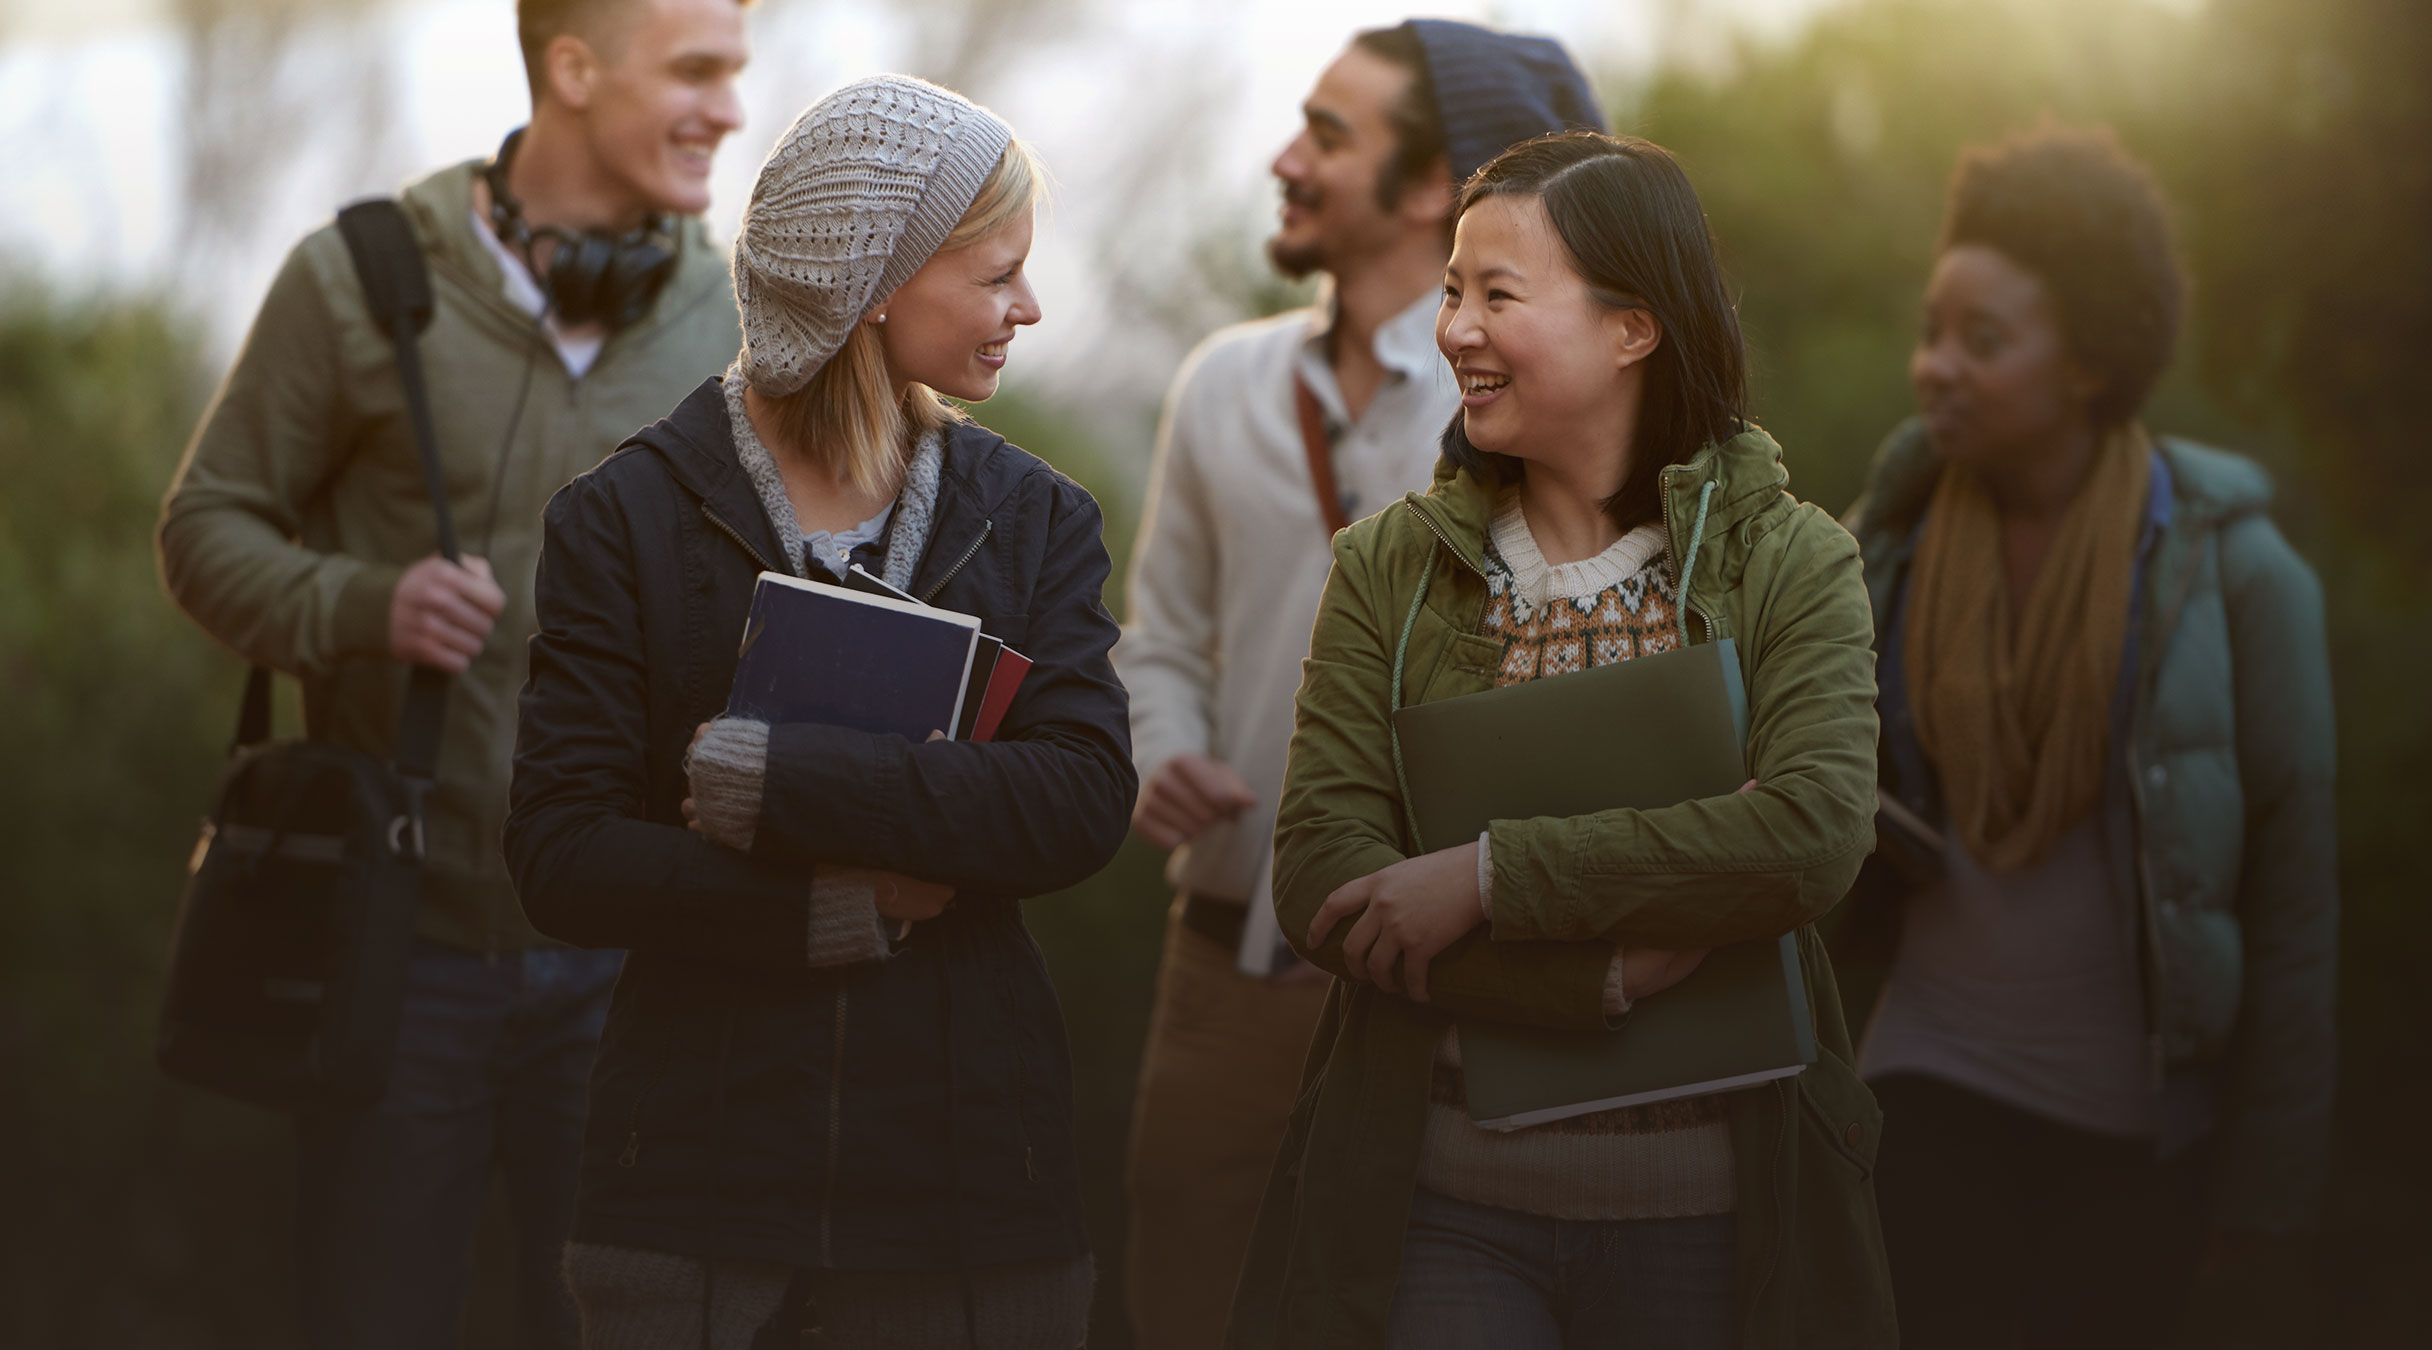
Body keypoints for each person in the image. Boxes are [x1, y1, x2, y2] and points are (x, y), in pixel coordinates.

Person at [1233, 131, 1894, 1350]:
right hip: (1441, 1214)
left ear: (1631, 329)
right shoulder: (1388, 567)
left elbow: (1807, 834)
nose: (1453, 332)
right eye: (1450, 292)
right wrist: (1593, 976)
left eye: (1497, 295)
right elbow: (1323, 873)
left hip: (1716, 1224)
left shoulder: (1791, 559)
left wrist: (1481, 877)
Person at [502, 75, 1133, 1349]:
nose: (1030, 306)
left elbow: (1079, 801)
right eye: (998, 273)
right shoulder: (623, 519)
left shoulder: (1035, 517)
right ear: (876, 281)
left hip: (964, 1201)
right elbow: (561, 855)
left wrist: (782, 783)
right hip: (687, 1193)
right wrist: (826, 909)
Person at [156, 0, 748, 1343]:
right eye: (697, 72)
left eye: (736, 72)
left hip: (635, 960)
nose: (728, 108)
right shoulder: (354, 278)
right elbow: (204, 530)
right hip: (396, 950)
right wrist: (364, 603)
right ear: (573, 68)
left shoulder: (736, 314)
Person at [1114, 21, 1601, 1346]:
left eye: (1330, 136)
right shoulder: (1222, 385)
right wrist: (1160, 747)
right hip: (1218, 964)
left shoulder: (1529, 413)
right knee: (1188, 1305)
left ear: (1441, 181)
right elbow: (1159, 634)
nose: (1286, 158)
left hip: (1440, 989)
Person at [1830, 123, 2338, 1348]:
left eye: (1984, 341)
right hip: (1926, 1079)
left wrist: (2266, 1173)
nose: (1936, 367)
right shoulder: (1881, 547)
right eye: (1932, 331)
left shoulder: (2242, 579)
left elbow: (2291, 898)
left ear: (2089, 366)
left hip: (2134, 1131)